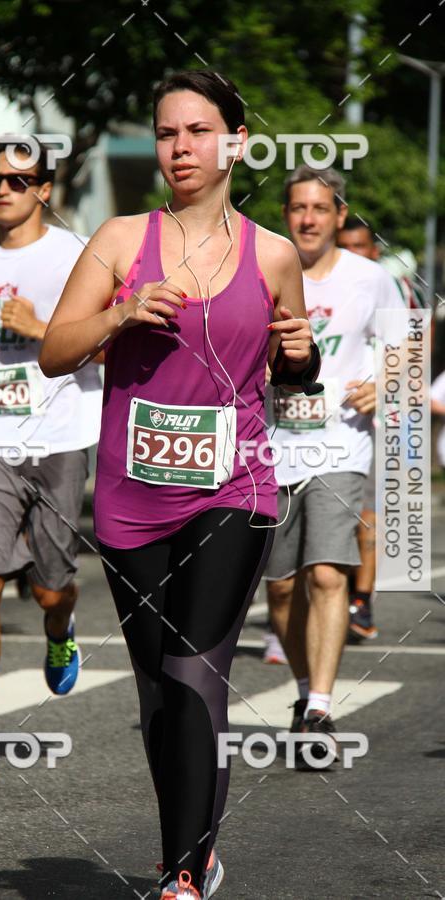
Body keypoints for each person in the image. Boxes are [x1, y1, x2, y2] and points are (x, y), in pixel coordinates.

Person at [40, 70, 318, 899]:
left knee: (199, 670)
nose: (181, 148)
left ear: (235, 141)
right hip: (132, 496)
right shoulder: (121, 241)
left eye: (198, 131)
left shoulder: (274, 254)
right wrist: (119, 315)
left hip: (235, 488)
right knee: (160, 685)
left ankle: (184, 875)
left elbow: (293, 373)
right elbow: (55, 350)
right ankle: (191, 847)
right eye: (167, 133)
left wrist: (303, 354)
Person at [0, 138, 102, 773]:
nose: (2, 189)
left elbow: (118, 337)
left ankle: (60, 634)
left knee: (50, 587)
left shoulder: (74, 254)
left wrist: (44, 331)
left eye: (17, 179)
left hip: (61, 436)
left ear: (44, 190)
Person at [266, 166, 405, 758]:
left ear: (340, 216)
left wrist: (384, 384)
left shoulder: (370, 279)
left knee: (326, 572)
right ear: (287, 214)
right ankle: (302, 690)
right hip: (268, 450)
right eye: (299, 208)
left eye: (320, 208)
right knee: (279, 589)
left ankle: (320, 707)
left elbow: (406, 351)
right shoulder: (264, 270)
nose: (309, 218)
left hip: (341, 445)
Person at [336, 218, 381, 639]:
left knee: (367, 516)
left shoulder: (389, 289)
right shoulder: (324, 285)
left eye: (360, 246)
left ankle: (361, 601)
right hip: (328, 421)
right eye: (344, 246)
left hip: (379, 419)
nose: (352, 253)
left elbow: (415, 351)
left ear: (374, 250)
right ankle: (342, 592)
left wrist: (384, 388)